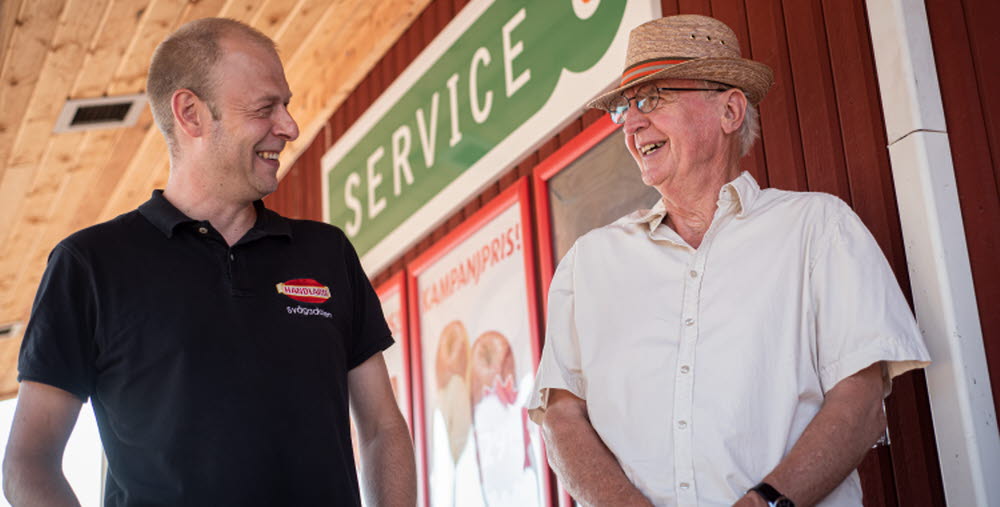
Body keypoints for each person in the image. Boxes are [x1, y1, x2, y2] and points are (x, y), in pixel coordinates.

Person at [2, 18, 415, 507]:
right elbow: (30, 461)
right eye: (266, 108)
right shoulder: (89, 265)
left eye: (287, 105)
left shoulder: (326, 253)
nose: (290, 127)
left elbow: (382, 427)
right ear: (191, 114)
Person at [527, 14, 930, 507]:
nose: (632, 123)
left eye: (652, 98)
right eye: (625, 107)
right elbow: (561, 417)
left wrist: (764, 504)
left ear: (730, 111)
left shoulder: (818, 228)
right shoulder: (588, 264)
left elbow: (862, 402)